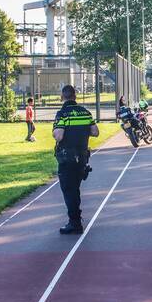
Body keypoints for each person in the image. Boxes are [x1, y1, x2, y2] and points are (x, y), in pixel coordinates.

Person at [54, 85, 99, 234]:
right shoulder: (85, 113)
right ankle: (76, 220)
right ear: (75, 96)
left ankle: (75, 223)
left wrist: (55, 132)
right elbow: (95, 132)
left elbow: (59, 135)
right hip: (82, 158)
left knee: (69, 191)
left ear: (63, 96)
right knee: (75, 189)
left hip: (67, 159)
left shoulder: (62, 114)